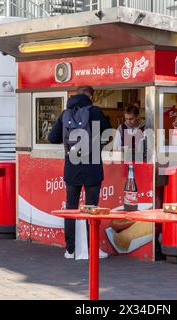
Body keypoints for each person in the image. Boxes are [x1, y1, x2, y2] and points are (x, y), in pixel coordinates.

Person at [48, 86, 111, 259]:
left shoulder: (65, 114)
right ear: (91, 95)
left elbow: (52, 137)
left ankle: (70, 250)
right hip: (92, 166)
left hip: (72, 167)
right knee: (92, 209)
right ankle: (92, 250)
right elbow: (108, 134)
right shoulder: (96, 112)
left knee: (71, 208)